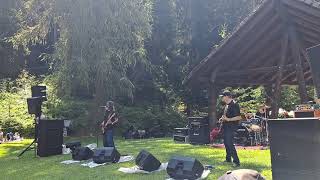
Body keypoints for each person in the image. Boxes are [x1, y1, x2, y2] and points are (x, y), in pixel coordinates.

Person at [219, 91, 242, 167]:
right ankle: (228, 159)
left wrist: (228, 119)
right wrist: (222, 119)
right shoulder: (227, 105)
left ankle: (236, 161)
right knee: (226, 143)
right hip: (226, 127)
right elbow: (227, 116)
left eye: (223, 96)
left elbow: (239, 117)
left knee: (229, 143)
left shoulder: (234, 104)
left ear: (227, 96)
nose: (221, 97)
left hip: (231, 128)